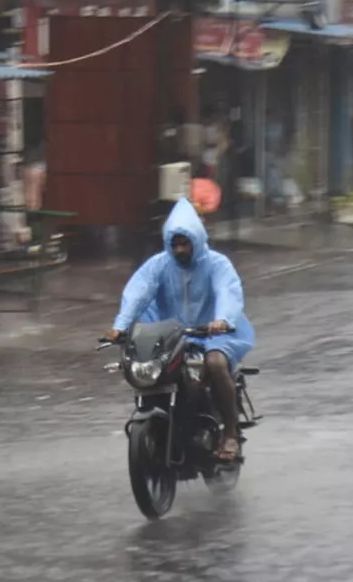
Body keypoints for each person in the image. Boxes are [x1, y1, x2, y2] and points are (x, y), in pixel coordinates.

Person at [105, 197, 255, 462]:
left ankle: (229, 433)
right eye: (175, 245)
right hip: (172, 335)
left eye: (185, 244)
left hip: (214, 335)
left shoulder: (217, 264)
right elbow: (138, 293)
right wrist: (120, 326)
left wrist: (222, 320)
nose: (180, 250)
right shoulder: (159, 265)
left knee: (217, 363)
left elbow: (228, 293)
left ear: (196, 241)